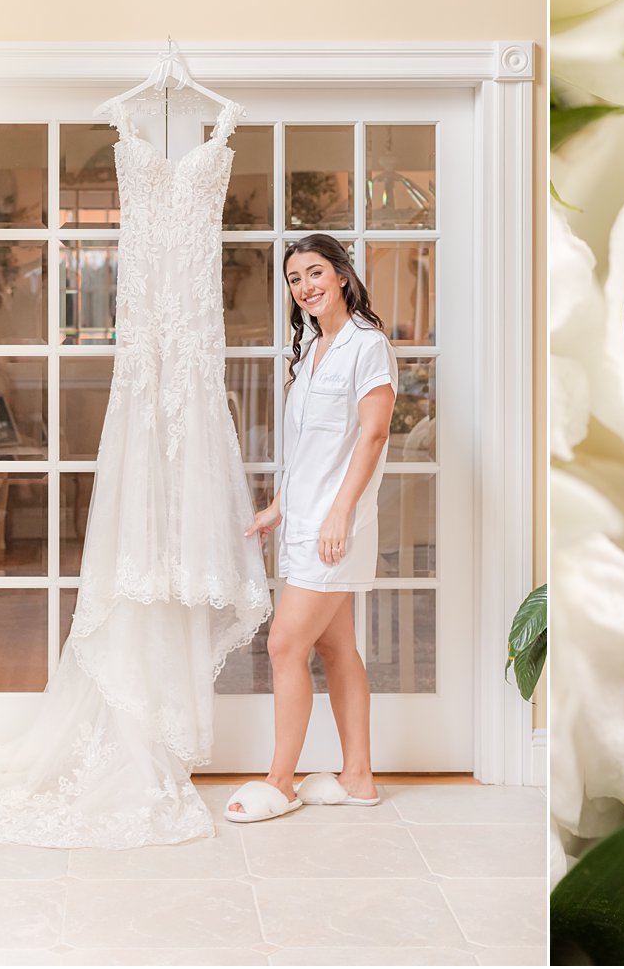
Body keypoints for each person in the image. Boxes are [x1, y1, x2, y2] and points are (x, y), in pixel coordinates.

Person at [224, 233, 398, 821]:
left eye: (316, 272)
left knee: (284, 644)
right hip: (306, 519)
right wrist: (279, 504)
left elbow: (372, 434)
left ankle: (281, 780)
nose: (306, 286)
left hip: (335, 527)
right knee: (335, 645)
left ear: (344, 276)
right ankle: (359, 777)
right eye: (296, 279)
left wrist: (341, 511)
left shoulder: (366, 346)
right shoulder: (312, 347)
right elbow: (309, 448)